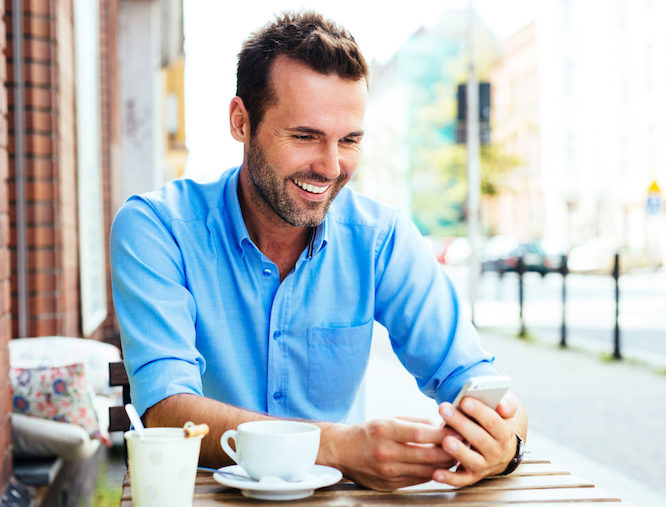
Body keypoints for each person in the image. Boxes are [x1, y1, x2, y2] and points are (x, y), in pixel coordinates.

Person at [110, 10, 527, 491]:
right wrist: (334, 447)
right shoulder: (157, 229)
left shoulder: (381, 239)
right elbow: (166, 409)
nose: (330, 167)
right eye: (305, 136)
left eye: (349, 140)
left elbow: (477, 381)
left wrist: (504, 446)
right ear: (241, 122)